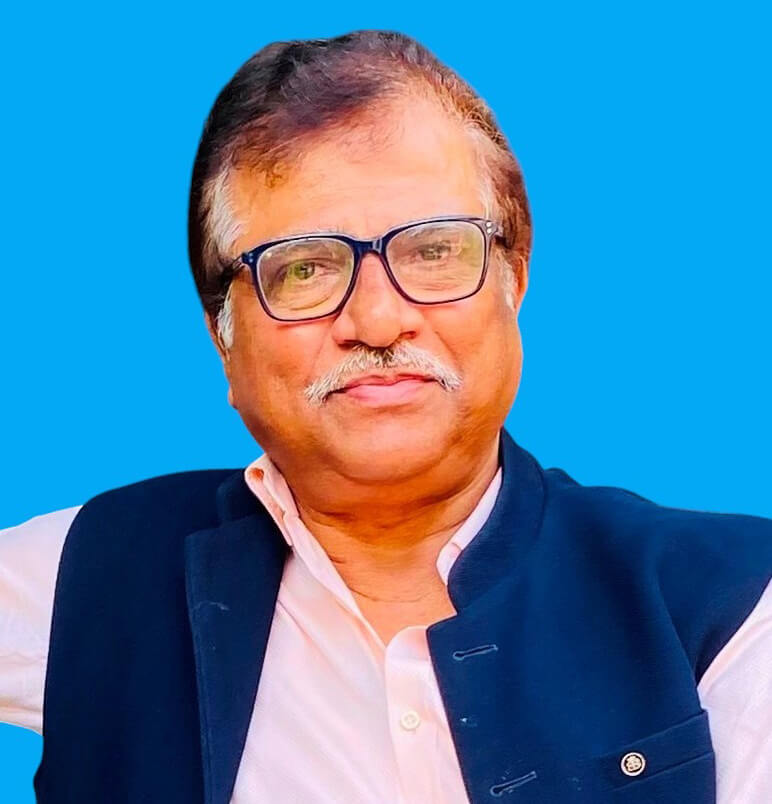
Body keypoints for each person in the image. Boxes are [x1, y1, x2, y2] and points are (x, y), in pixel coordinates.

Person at [1, 29, 770, 804]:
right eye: (303, 269)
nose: (376, 319)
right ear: (221, 336)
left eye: (434, 252)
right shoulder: (92, 576)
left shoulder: (735, 605)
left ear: (514, 278)